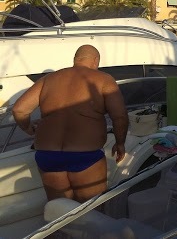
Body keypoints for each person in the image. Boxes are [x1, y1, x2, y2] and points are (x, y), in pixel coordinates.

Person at [12, 44, 128, 203]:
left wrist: (28, 128)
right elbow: (120, 116)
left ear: (76, 59)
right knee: (92, 212)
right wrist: (120, 143)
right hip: (85, 155)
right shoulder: (103, 79)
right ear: (95, 61)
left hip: (48, 155)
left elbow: (19, 110)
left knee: (60, 213)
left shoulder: (48, 79)